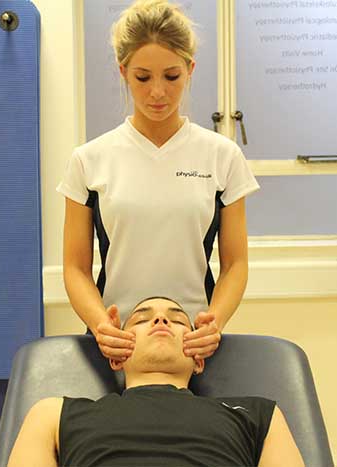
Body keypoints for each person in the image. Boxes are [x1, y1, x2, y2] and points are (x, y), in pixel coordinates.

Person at [57, 0, 260, 364]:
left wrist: (214, 323)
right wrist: (101, 325)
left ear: (190, 69)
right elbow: (75, 267)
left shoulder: (222, 156)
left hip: (192, 343)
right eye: (142, 77)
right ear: (123, 71)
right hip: (116, 343)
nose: (157, 93)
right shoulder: (89, 160)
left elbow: (235, 264)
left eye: (171, 76)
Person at [7, 297, 304, 467]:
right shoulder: (54, 414)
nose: (161, 321)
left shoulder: (258, 415)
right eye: (140, 320)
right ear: (117, 356)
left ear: (199, 358)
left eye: (176, 320)